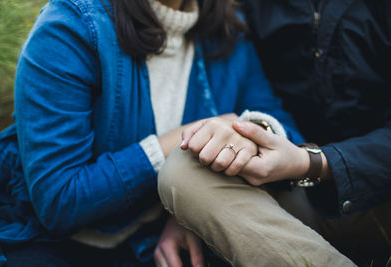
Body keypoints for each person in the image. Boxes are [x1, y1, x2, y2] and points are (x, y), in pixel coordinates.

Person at [0, 0, 306, 266]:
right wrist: (176, 142)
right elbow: (60, 202)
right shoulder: (72, 28)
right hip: (46, 246)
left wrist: (194, 208)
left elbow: (280, 128)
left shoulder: (227, 29)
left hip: (154, 245)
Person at [156, 0, 391, 266]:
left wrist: (312, 163)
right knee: (185, 170)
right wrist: (190, 209)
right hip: (298, 196)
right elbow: (251, 99)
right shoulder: (244, 9)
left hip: (380, 197)